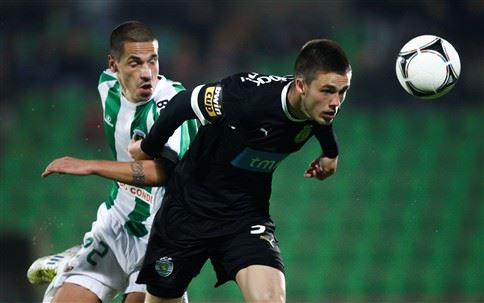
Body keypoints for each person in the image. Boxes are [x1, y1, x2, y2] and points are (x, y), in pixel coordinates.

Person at [43, 38, 351, 303]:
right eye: (328, 91)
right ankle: (82, 261)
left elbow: (320, 122)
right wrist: (149, 148)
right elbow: (184, 103)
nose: (336, 103)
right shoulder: (245, 98)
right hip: (187, 211)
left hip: (245, 217)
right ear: (301, 85)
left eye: (342, 92)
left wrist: (331, 154)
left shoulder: (318, 108)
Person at [28, 21, 197, 303]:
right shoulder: (107, 84)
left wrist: (91, 165)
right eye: (134, 63)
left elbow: (163, 172)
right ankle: (75, 256)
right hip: (116, 223)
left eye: (152, 61)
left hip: (161, 235)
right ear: (113, 65)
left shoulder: (173, 104)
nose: (147, 73)